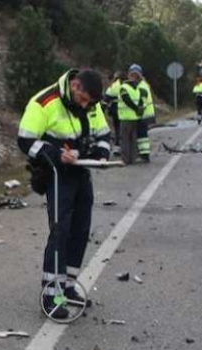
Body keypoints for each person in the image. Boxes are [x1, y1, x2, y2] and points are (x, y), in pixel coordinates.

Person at [17, 69, 111, 319]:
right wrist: (57, 154)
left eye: (90, 102)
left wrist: (102, 154)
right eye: (83, 99)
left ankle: (68, 286)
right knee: (61, 232)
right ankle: (51, 294)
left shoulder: (90, 103)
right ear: (75, 85)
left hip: (81, 172)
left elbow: (103, 134)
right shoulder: (45, 102)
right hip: (57, 175)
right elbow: (25, 140)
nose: (86, 105)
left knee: (80, 230)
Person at [118, 65, 146, 165]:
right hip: (135, 117)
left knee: (125, 139)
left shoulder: (124, 87)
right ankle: (132, 159)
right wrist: (138, 109)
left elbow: (127, 100)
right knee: (133, 139)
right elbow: (140, 101)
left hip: (126, 118)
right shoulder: (137, 88)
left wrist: (135, 108)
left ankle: (125, 159)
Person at [128, 64, 153, 163]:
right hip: (143, 113)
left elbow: (141, 101)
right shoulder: (141, 84)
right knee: (142, 134)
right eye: (131, 75)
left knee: (142, 135)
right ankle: (143, 154)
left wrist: (137, 110)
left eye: (135, 75)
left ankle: (144, 155)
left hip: (144, 114)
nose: (133, 77)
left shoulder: (142, 86)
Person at [103, 71, 125, 149]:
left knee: (117, 128)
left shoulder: (113, 87)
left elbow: (105, 100)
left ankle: (118, 146)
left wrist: (102, 111)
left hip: (116, 111)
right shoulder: (126, 85)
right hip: (127, 112)